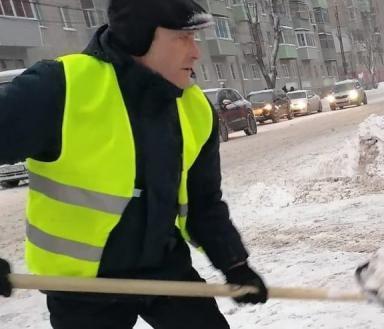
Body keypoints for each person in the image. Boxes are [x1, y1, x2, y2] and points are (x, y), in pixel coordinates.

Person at [0, 0, 267, 328]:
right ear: (140, 38)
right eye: (182, 38)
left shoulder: (194, 108)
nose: (196, 52)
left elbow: (202, 203)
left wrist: (235, 263)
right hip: (83, 285)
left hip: (162, 268)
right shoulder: (62, 88)